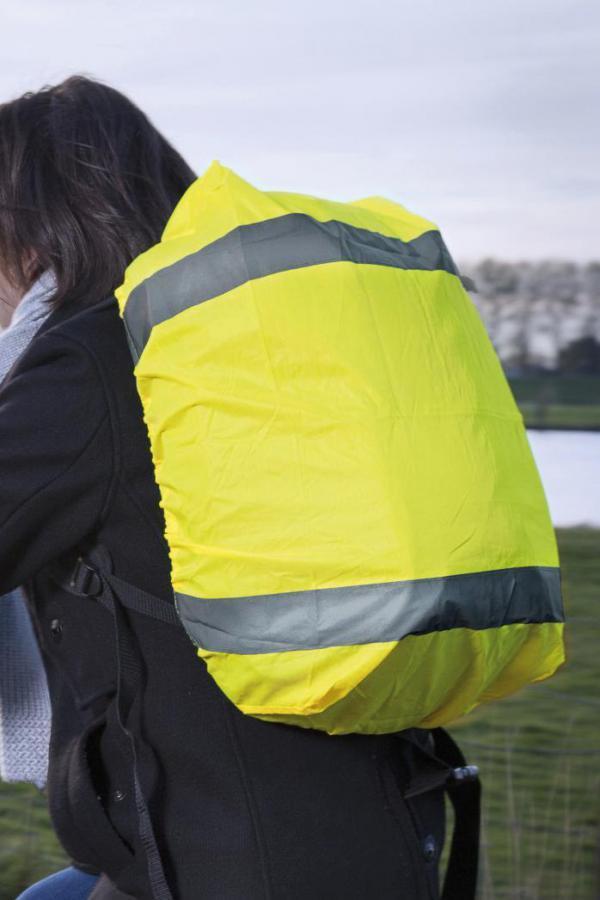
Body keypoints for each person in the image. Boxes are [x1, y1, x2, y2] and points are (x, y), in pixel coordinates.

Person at [0, 76, 446, 899]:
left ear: (30, 236)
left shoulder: (97, 362)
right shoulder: (247, 352)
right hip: (379, 825)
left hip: (231, 862)